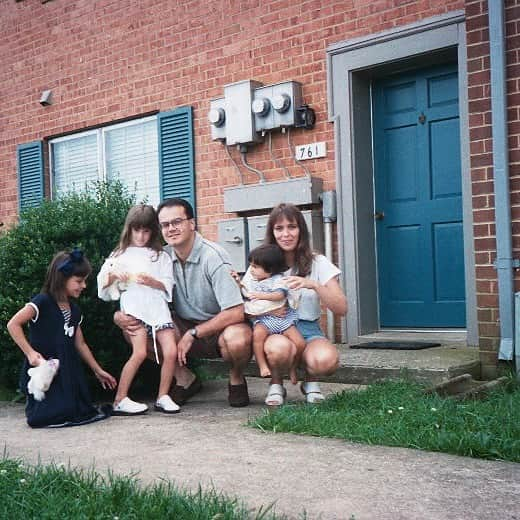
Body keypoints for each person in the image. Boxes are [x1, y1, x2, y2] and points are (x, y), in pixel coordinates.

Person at [115, 198, 252, 407]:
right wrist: (119, 315)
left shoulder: (213, 256)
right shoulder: (160, 256)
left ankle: (236, 377)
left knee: (238, 339)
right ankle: (185, 378)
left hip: (221, 327)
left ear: (192, 223)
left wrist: (194, 333)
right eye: (165, 225)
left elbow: (236, 311)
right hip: (183, 324)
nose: (171, 229)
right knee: (134, 330)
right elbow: (138, 292)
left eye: (177, 222)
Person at [7, 249, 117, 428]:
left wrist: (97, 370)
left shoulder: (74, 310)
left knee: (76, 410)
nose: (83, 286)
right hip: (46, 370)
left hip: (68, 368)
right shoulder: (42, 302)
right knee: (49, 414)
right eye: (79, 281)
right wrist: (30, 353)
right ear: (62, 278)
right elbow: (13, 324)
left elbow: (79, 343)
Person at [261, 203, 347, 406]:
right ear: (272, 233)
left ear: (301, 230)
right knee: (278, 348)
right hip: (277, 330)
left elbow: (342, 309)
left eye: (292, 227)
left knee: (326, 360)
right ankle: (276, 383)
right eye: (279, 228)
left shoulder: (318, 262)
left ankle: (310, 381)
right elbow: (248, 295)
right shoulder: (264, 262)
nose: (286, 234)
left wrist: (314, 285)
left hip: (309, 330)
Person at [98, 204, 180, 415]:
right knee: (140, 352)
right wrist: (114, 277)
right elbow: (103, 287)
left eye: (146, 231)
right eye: (137, 230)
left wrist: (153, 281)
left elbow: (168, 284)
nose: (141, 236)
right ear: (129, 229)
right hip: (134, 308)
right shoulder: (119, 254)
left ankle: (163, 396)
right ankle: (120, 399)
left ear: (152, 231)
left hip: (158, 308)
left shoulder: (160, 256)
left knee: (171, 351)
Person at [240, 244, 304, 384]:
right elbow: (244, 291)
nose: (251, 269)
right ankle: (262, 364)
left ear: (270, 270)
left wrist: (261, 296)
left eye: (256, 266)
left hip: (283, 319)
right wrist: (236, 281)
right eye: (250, 265)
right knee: (257, 337)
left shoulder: (278, 280)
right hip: (264, 320)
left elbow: (280, 295)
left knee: (299, 343)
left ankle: (294, 368)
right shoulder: (252, 280)